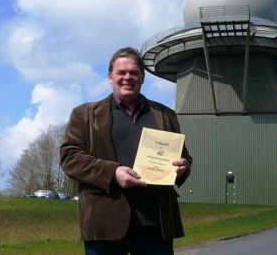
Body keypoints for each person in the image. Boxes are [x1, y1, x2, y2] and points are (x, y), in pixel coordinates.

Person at [60, 47, 192, 255]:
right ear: (110, 77)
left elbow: (183, 156)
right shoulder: (85, 114)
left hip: (156, 224)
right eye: (121, 72)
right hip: (104, 223)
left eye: (134, 72)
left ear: (142, 77)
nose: (127, 77)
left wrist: (184, 166)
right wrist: (112, 172)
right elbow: (70, 157)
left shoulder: (166, 115)